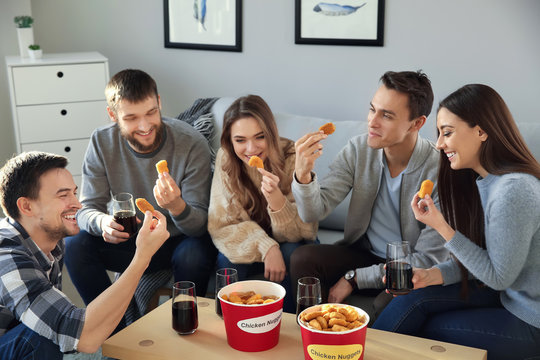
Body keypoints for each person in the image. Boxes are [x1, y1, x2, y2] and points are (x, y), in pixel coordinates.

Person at [372, 84, 540, 359]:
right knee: (413, 299)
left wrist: (441, 225)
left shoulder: (514, 190)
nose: (439, 144)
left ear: (482, 131)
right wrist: (432, 275)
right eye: (439, 134)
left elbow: (498, 277)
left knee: (426, 327)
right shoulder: (487, 182)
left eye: (447, 133)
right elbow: (486, 259)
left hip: (530, 319)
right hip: (507, 297)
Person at [290, 71, 449, 310]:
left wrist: (353, 279)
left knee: (387, 303)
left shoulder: (439, 171)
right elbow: (312, 212)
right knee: (303, 259)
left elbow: (428, 258)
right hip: (365, 253)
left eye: (386, 115)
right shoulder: (358, 150)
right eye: (372, 109)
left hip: (411, 264)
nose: (372, 122)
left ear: (416, 123)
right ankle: (312, 336)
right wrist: (303, 176)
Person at [65, 69, 217, 318]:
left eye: (151, 113)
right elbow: (86, 209)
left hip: (177, 240)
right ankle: (111, 332)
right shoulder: (102, 142)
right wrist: (104, 222)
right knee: (74, 245)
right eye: (132, 118)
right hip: (131, 240)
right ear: (112, 115)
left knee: (194, 252)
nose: (145, 126)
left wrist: (177, 205)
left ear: (159, 102)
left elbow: (199, 227)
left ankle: (183, 328)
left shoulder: (191, 143)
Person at [0, 151, 169, 359]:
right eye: (63, 195)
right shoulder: (6, 255)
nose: (77, 204)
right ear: (26, 206)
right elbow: (79, 336)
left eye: (74, 192)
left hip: (12, 334)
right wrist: (142, 256)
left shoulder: (51, 239)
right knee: (41, 336)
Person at [208, 95, 318, 313]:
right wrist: (267, 247)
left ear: (271, 132)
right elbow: (223, 223)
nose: (251, 149)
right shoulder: (226, 158)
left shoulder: (293, 156)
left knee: (291, 252)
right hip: (251, 241)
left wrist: (277, 200)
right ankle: (232, 324)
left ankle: (287, 327)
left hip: (292, 240)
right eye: (240, 140)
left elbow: (305, 229)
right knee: (228, 260)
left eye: (259, 137)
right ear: (230, 141)